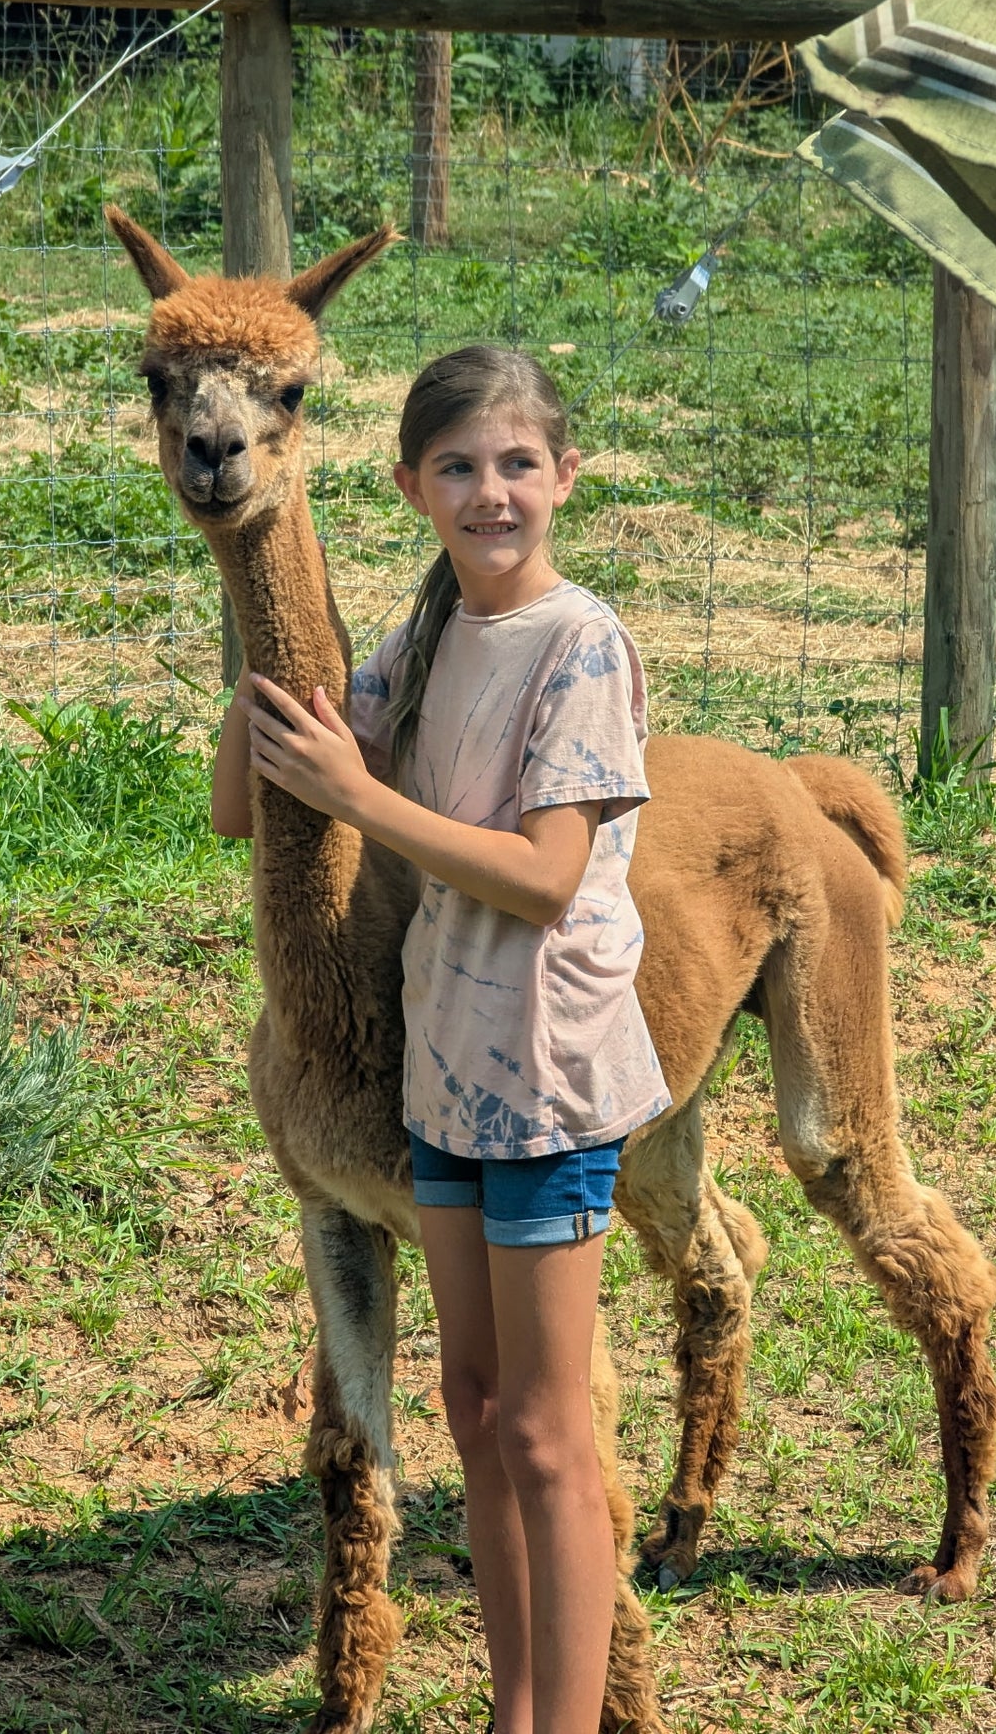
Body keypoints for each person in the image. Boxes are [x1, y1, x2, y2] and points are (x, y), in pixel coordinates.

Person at [210, 344, 671, 1734]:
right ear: (410, 486)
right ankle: (517, 1710)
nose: (490, 494)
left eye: (516, 466)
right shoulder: (422, 644)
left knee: (544, 1431)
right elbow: (246, 810)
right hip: (447, 1080)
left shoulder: (578, 644)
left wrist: (356, 792)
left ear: (564, 477)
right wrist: (264, 636)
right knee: (475, 1412)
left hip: (544, 1074)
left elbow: (540, 876)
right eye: (459, 469)